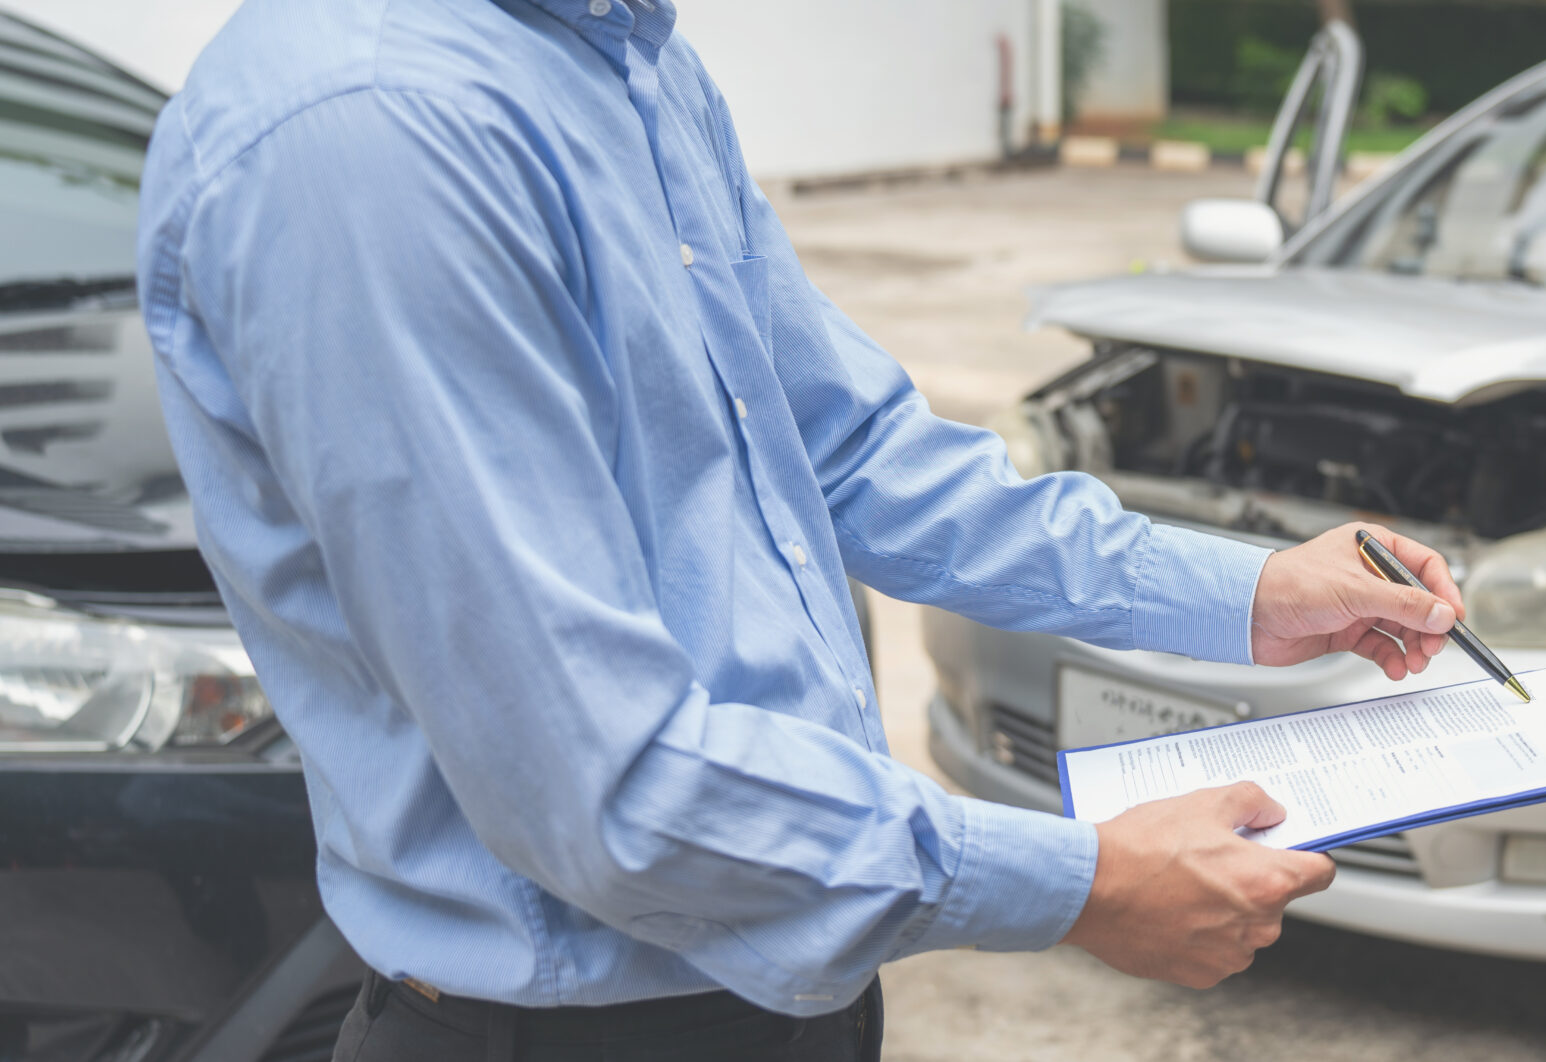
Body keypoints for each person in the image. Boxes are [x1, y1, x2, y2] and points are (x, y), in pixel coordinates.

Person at [135, 2, 1468, 1059]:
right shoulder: (376, 135)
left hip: (783, 990)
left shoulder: (626, 61)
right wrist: (1079, 882)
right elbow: (608, 788)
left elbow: (851, 445)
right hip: (566, 1030)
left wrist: (1247, 593)